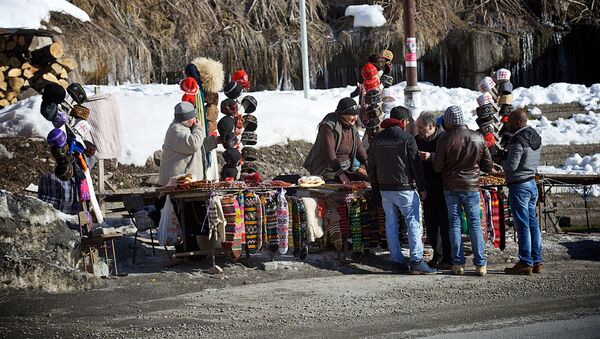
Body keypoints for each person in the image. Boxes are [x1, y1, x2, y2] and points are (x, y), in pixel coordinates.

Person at [368, 106, 435, 275]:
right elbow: (415, 164)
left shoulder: (377, 139)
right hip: (405, 189)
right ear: (404, 121)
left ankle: (397, 261)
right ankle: (416, 261)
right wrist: (422, 187)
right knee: (413, 223)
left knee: (391, 224)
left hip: (385, 190)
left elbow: (372, 166)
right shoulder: (407, 138)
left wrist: (376, 189)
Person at [433, 105, 493, 276]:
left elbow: (438, 168)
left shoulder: (444, 138)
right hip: (472, 187)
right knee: (475, 224)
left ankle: (458, 263)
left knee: (455, 224)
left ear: (450, 120)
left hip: (451, 187)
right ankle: (480, 264)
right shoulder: (478, 137)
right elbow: (487, 165)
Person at [501, 108, 543, 275]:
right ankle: (537, 260)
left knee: (522, 225)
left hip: (519, 186)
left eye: (510, 122)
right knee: (532, 224)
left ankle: (525, 262)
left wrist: (501, 160)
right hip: (532, 183)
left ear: (518, 122)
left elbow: (512, 166)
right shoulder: (535, 135)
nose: (508, 124)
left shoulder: (518, 139)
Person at [416, 112, 452, 269]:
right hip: (426, 187)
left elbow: (449, 158)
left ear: (431, 126)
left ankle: (448, 256)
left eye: (421, 127)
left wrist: (431, 156)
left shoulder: (443, 138)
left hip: (443, 185)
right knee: (431, 223)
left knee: (445, 222)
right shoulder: (417, 140)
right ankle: (437, 255)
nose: (418, 130)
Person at [303, 97, 368, 183]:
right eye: (352, 115)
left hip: (345, 169)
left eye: (356, 115)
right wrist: (340, 173)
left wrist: (369, 165)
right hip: (327, 172)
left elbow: (359, 149)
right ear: (343, 114)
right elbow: (330, 155)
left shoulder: (352, 127)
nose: (355, 118)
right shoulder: (328, 127)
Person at [158, 102, 205, 186]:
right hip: (175, 182)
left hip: (185, 180)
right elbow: (194, 145)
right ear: (188, 119)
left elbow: (200, 145)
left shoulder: (186, 128)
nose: (195, 119)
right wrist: (198, 128)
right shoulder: (176, 130)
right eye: (193, 117)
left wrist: (215, 141)